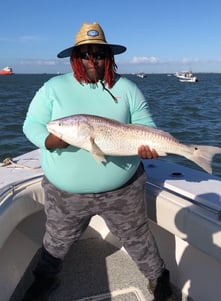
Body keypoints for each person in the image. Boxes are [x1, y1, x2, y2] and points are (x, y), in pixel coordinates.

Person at [22, 22, 173, 301]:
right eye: (84, 55)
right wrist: (48, 140)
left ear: (109, 58)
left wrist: (149, 146)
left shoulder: (127, 88)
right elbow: (32, 124)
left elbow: (145, 124)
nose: (92, 60)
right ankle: (44, 281)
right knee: (56, 240)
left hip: (123, 189)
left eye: (100, 54)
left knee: (138, 236)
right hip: (65, 194)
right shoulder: (53, 87)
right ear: (74, 59)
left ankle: (158, 279)